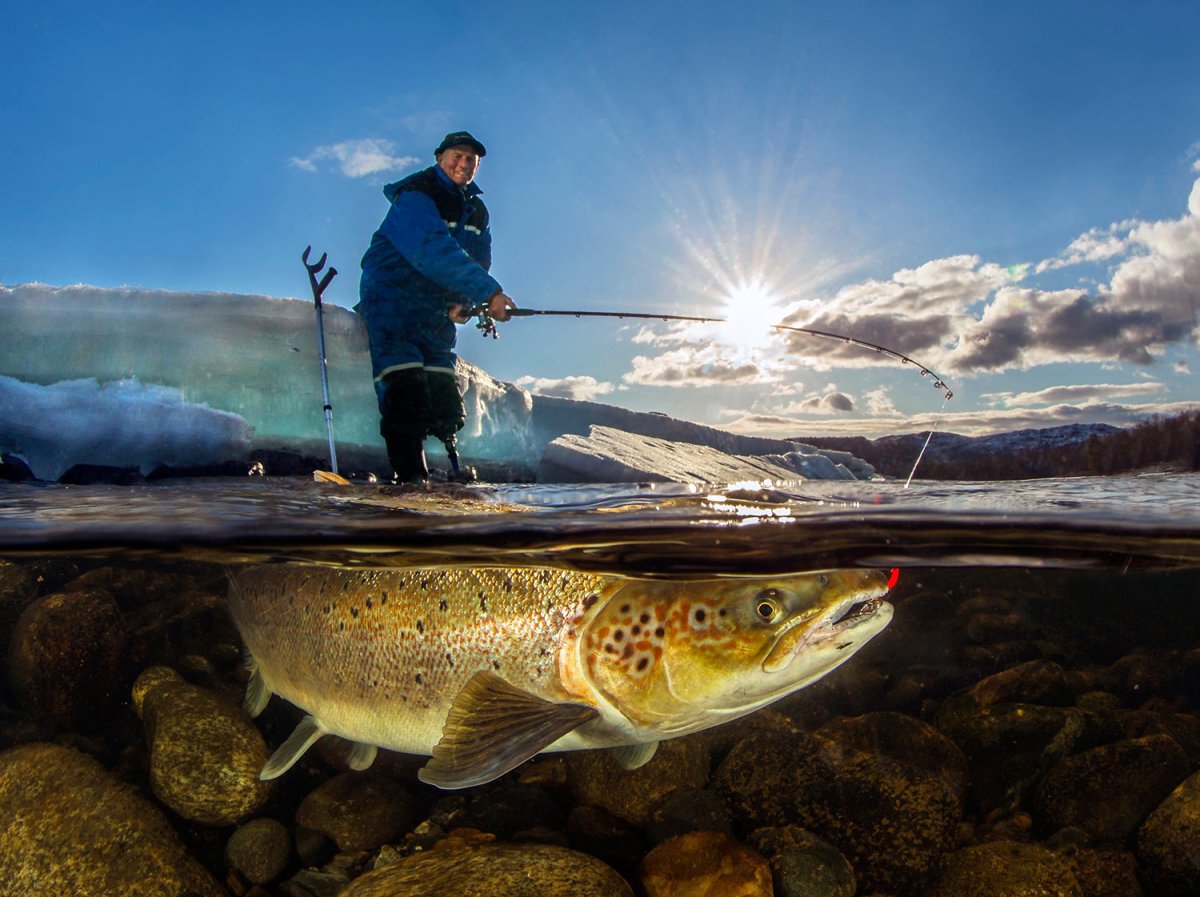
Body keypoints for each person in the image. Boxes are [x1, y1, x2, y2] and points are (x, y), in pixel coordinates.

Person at [357, 130, 516, 482]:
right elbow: (432, 251)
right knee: (406, 392)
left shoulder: (477, 210)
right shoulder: (415, 196)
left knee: (445, 399)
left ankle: (450, 476)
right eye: (456, 156)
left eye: (470, 160)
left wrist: (464, 300)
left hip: (435, 312)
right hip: (392, 303)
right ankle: (411, 483)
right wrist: (490, 294)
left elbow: (477, 258)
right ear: (439, 158)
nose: (463, 164)